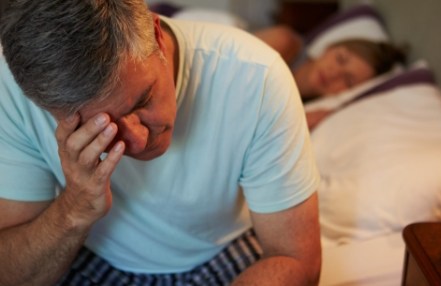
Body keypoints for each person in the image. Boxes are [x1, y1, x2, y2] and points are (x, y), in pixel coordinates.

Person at [0, 1, 321, 285]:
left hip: (219, 250)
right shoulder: (12, 91)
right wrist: (74, 209)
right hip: (89, 254)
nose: (138, 141)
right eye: (101, 128)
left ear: (157, 37)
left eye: (144, 99)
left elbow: (295, 258)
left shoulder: (256, 77)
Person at [255, 25, 406, 130]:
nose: (333, 73)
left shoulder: (312, 111)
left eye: (348, 80)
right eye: (340, 59)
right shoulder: (284, 44)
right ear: (330, 47)